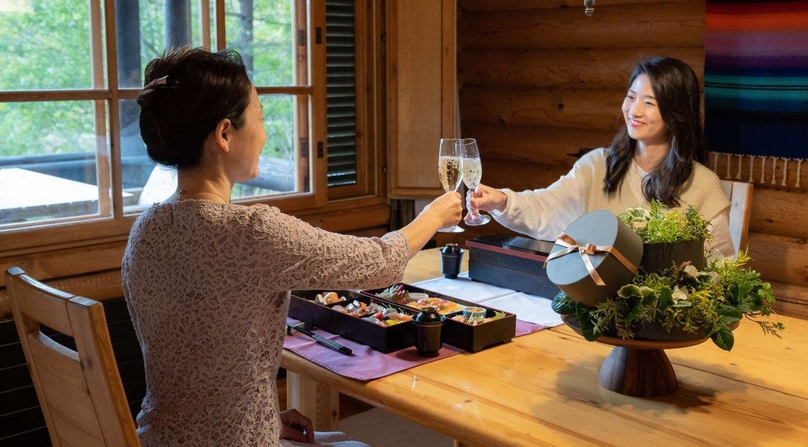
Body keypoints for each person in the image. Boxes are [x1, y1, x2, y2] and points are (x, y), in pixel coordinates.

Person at [121, 47, 462, 447]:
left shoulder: (146, 229)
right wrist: (436, 215)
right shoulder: (252, 232)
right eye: (261, 118)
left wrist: (263, 412)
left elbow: (196, 359)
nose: (264, 134)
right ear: (225, 134)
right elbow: (380, 264)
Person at [468, 57, 735, 257]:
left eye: (649, 103)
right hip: (597, 306)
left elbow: (720, 266)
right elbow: (547, 207)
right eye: (631, 97)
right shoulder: (598, 166)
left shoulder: (702, 184)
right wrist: (501, 201)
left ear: (676, 113)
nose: (634, 110)